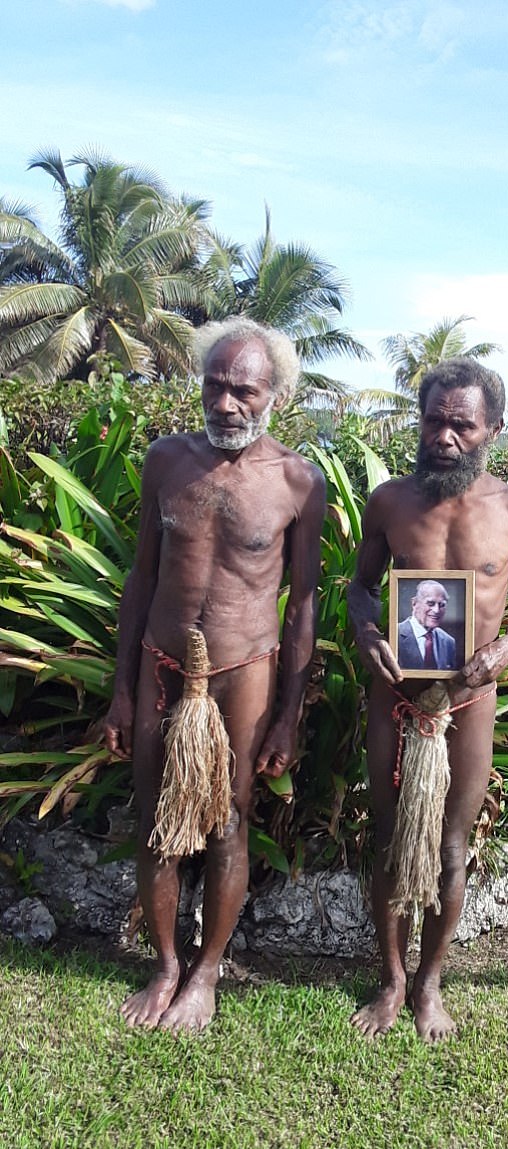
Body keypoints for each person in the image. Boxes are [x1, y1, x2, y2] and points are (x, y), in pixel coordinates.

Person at [104, 318, 326, 1033]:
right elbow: (141, 576)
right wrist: (121, 688)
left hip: (244, 673)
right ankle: (167, 963)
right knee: (156, 820)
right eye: (215, 384)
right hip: (162, 663)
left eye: (244, 390)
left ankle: (207, 972)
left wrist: (289, 714)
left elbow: (303, 606)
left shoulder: (297, 482)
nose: (226, 403)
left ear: (276, 397)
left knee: (229, 822)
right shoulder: (167, 461)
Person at [348, 357, 508, 1042]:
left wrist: (502, 652)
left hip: (468, 704)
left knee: (452, 849)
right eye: (434, 420)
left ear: (492, 427)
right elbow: (361, 586)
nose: (445, 436)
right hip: (395, 698)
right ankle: (391, 978)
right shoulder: (390, 503)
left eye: (462, 425)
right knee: (388, 840)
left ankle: (430, 982)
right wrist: (368, 629)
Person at [396, 580, 458, 670]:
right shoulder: (395, 633)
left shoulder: (449, 641)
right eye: (430, 603)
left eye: (442, 605)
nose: (436, 610)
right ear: (414, 603)